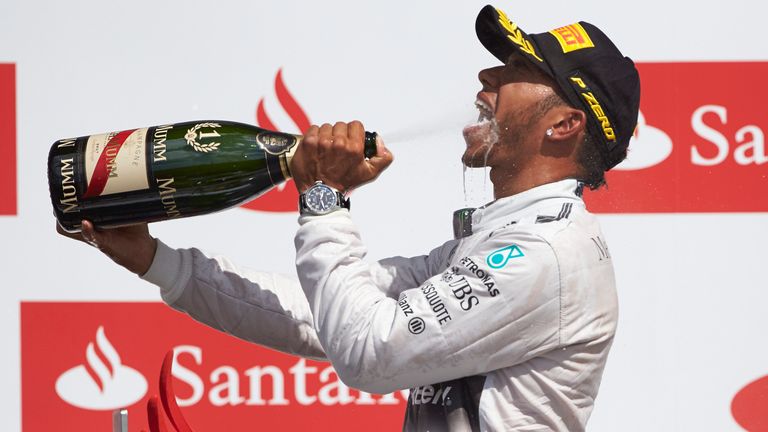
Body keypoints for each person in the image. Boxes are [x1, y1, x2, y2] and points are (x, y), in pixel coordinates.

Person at [59, 5, 640, 431]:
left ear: (563, 125)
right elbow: (325, 320)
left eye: (514, 69)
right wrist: (156, 261)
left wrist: (323, 197)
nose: (486, 79)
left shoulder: (546, 257)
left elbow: (370, 352)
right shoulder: (511, 237)